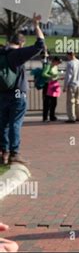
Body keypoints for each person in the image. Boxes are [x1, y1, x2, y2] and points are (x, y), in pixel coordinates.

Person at [0, 13, 45, 165]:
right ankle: (14, 153)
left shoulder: (1, 52)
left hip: (2, 93)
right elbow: (40, 45)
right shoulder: (17, 54)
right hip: (18, 93)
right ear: (21, 44)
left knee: (3, 123)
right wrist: (36, 26)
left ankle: (3, 153)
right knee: (15, 123)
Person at [63, 51, 79, 123]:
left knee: (70, 102)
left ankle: (71, 117)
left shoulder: (70, 63)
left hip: (72, 84)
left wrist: (65, 86)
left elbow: (68, 76)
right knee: (77, 101)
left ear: (70, 55)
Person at [42, 56, 62, 122]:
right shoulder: (48, 66)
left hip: (54, 84)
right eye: (58, 62)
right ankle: (45, 117)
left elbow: (56, 74)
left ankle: (52, 116)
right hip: (48, 85)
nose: (58, 64)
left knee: (54, 102)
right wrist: (50, 76)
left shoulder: (56, 67)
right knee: (47, 102)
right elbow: (43, 74)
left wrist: (58, 77)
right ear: (54, 61)